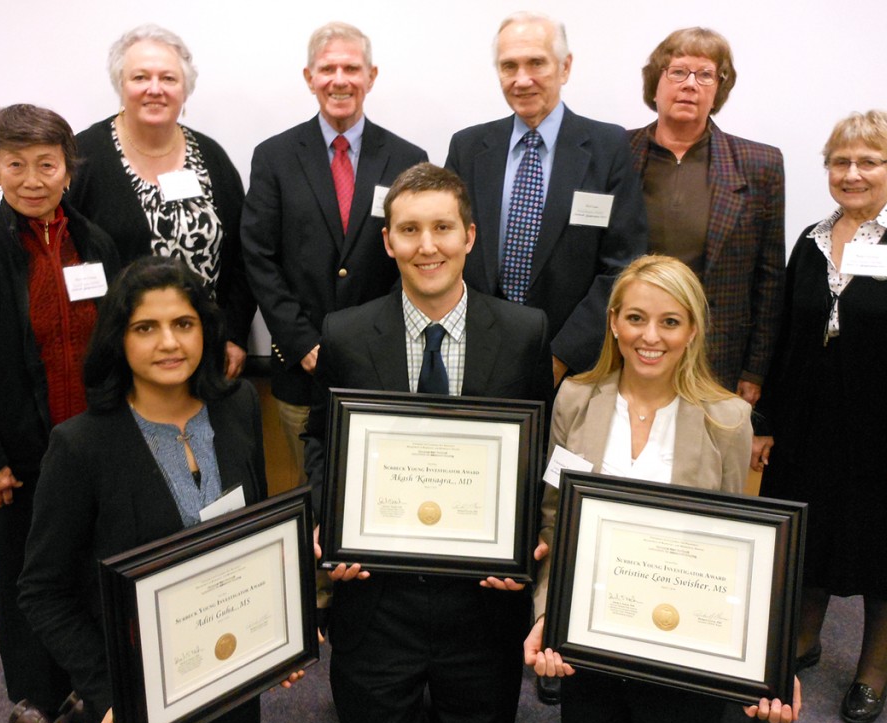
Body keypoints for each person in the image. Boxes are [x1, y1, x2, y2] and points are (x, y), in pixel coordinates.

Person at [303, 163, 553, 723]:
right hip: (375, 597)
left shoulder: (524, 333)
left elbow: (540, 452)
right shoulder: (345, 333)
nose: (427, 246)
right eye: (410, 230)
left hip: (484, 602)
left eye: (442, 227)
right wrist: (329, 519)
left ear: (469, 236)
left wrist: (528, 540)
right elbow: (319, 437)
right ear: (388, 241)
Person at [753, 110, 887, 723]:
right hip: (810, 427)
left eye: (868, 161)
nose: (852, 174)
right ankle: (804, 640)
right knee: (809, 541)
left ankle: (874, 669)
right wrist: (767, 420)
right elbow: (790, 339)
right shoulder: (813, 238)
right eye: (840, 162)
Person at [523, 255, 798, 723]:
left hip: (682, 645)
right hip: (592, 635)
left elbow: (739, 551)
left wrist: (768, 659)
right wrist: (550, 613)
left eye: (669, 322)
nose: (650, 337)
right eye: (635, 318)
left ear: (692, 330)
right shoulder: (574, 399)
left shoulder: (727, 420)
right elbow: (554, 521)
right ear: (613, 323)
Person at [17, 257, 275, 723]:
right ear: (119, 338)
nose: (169, 342)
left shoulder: (237, 406)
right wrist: (110, 692)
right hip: (137, 699)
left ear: (206, 330)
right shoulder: (81, 446)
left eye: (183, 323)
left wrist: (279, 635)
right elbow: (44, 593)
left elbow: (256, 531)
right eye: (145, 328)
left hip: (232, 672)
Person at [0, 103, 120, 723]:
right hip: (18, 460)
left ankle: (93, 688)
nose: (33, 178)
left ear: (68, 169)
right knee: (28, 583)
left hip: (95, 447)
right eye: (15, 164)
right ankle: (36, 699)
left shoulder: (96, 243)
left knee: (94, 572)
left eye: (47, 163)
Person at [242, 21, 427, 484]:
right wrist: (302, 342)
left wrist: (376, 340)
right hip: (298, 371)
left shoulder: (408, 159)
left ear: (371, 75)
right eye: (327, 69)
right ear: (309, 78)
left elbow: (415, 258)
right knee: (311, 492)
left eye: (351, 68)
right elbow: (258, 256)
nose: (339, 80)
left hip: (382, 365)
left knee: (380, 488)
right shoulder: (275, 156)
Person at [445, 11, 647, 390]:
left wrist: (561, 357)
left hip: (575, 370)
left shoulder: (607, 147)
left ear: (565, 67)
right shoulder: (468, 147)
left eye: (536, 62)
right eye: (509, 66)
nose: (522, 79)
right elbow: (447, 248)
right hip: (474, 357)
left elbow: (622, 266)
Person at [68, 24, 255, 379]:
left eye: (168, 78)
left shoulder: (210, 157)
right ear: (121, 86)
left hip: (205, 355)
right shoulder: (83, 158)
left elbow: (243, 257)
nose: (155, 89)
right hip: (117, 360)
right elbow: (67, 259)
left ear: (184, 89)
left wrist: (234, 334)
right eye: (140, 77)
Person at [628, 27, 785, 405]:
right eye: (678, 72)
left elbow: (770, 278)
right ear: (655, 85)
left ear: (718, 91)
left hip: (717, 356)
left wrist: (755, 370)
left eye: (705, 75)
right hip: (629, 346)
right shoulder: (616, 153)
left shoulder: (760, 164)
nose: (690, 85)